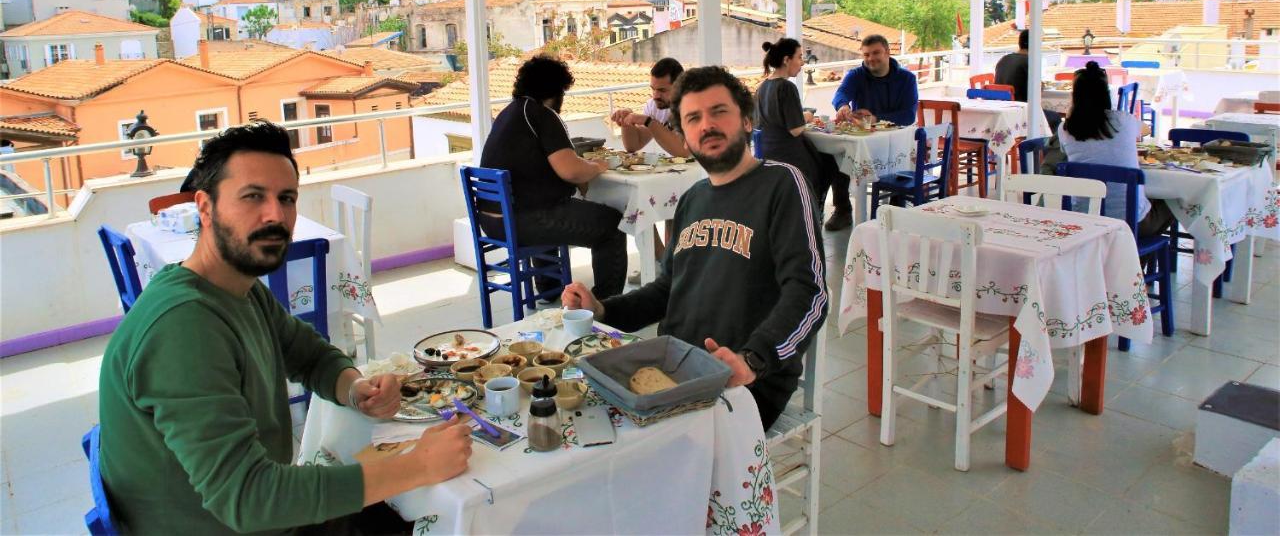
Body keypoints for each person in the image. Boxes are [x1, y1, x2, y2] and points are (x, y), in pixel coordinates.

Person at [98, 122, 474, 534]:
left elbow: (308, 354)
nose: (275, 215)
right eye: (253, 196)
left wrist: (354, 388)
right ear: (205, 208)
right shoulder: (182, 327)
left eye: (286, 198)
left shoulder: (236, 289)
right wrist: (417, 467)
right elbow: (249, 499)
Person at [562, 66, 828, 430]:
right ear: (684, 137)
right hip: (672, 369)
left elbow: (810, 292)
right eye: (693, 118)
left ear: (747, 121)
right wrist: (603, 308)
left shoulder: (782, 184)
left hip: (741, 381)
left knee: (625, 454)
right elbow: (665, 290)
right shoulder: (691, 200)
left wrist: (752, 360)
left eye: (719, 112)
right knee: (575, 416)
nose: (707, 125)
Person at [480, 55, 628, 300]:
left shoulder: (509, 113)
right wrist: (597, 166)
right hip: (523, 221)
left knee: (550, 203)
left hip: (493, 221)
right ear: (556, 90)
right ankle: (606, 304)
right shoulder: (541, 114)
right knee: (612, 225)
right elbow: (570, 170)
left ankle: (549, 288)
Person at [1058, 62, 1173, 237]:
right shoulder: (1123, 121)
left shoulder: (1065, 129)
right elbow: (1146, 130)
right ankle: (1135, 259)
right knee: (1177, 199)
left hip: (1084, 220)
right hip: (1131, 223)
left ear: (1075, 96)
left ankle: (1126, 259)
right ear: (1106, 94)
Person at [823, 34, 919, 231]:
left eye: (876, 53)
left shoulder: (907, 79)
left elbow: (909, 115)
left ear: (887, 52)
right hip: (863, 138)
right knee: (834, 154)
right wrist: (842, 106)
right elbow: (841, 94)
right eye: (866, 54)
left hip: (895, 139)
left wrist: (875, 118)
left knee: (899, 160)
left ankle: (895, 207)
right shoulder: (857, 75)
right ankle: (843, 209)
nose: (870, 59)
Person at [754, 39, 837, 219]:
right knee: (831, 161)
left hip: (768, 153)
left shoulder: (762, 87)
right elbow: (796, 130)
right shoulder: (786, 87)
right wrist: (807, 116)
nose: (802, 62)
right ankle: (816, 210)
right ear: (786, 60)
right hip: (789, 155)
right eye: (799, 57)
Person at [609, 57, 691, 158]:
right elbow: (634, 145)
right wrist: (627, 121)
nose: (655, 96)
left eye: (662, 90)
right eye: (653, 89)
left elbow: (682, 151)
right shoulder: (654, 105)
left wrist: (648, 121)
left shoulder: (694, 106)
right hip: (681, 171)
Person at [995, 28, 1063, 131]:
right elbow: (1037, 91)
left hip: (1002, 113)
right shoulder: (1029, 62)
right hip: (1021, 114)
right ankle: (1042, 146)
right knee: (1055, 118)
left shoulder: (1003, 59)